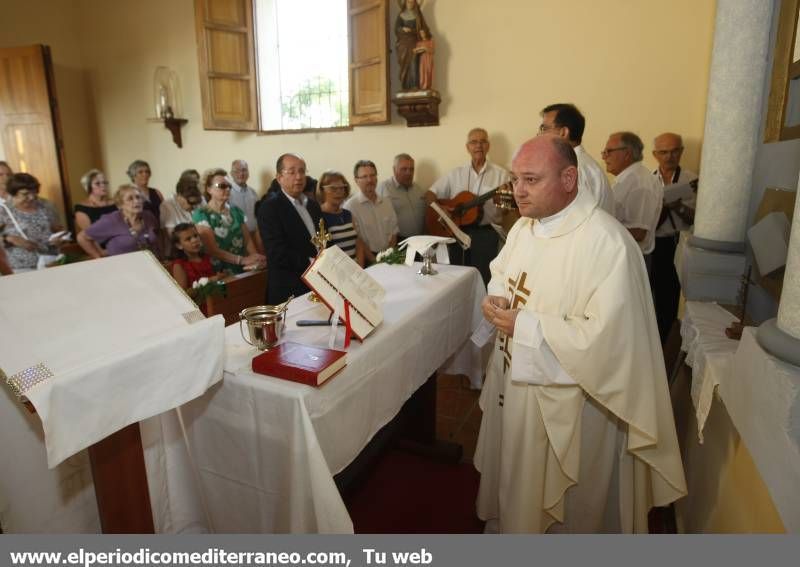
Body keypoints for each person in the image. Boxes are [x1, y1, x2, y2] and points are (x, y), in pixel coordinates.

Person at [474, 136, 686, 533]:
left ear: (569, 178)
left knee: (569, 506)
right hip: (517, 390)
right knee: (518, 486)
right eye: (516, 179)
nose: (518, 190)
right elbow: (502, 272)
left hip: (576, 407)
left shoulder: (607, 243)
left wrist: (526, 326)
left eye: (531, 180)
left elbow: (610, 343)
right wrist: (496, 297)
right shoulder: (524, 228)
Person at [430, 128, 510, 285]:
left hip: (486, 235)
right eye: (474, 142)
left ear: (488, 146)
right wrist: (441, 210)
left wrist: (501, 203)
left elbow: (506, 211)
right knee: (456, 279)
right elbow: (430, 193)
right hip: (457, 234)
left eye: (482, 141)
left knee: (483, 279)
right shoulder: (455, 173)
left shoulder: (503, 175)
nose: (478, 146)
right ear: (467, 147)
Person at [652, 132, 698, 342]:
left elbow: (699, 218)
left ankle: (665, 342)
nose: (669, 156)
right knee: (649, 294)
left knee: (670, 298)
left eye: (674, 151)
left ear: (681, 152)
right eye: (663, 152)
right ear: (655, 154)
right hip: (654, 243)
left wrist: (677, 205)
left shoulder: (692, 180)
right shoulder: (649, 181)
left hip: (679, 242)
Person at [257, 153, 322, 304]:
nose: (298, 177)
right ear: (279, 177)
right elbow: (276, 252)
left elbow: (323, 238)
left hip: (318, 283)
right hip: (289, 289)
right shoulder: (270, 208)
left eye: (302, 171)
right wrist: (311, 263)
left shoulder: (312, 205)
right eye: (292, 172)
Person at [538, 103, 615, 215]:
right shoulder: (576, 163)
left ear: (563, 132)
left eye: (544, 129)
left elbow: (570, 217)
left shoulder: (577, 168)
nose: (540, 135)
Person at [602, 131, 663, 272]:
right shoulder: (628, 179)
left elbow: (639, 232)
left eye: (609, 151)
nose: (604, 157)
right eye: (604, 152)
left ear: (627, 154)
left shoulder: (639, 182)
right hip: (621, 256)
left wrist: (598, 231)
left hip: (630, 260)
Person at [192, 168, 264, 274]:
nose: (228, 189)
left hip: (243, 266)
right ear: (208, 189)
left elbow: (247, 240)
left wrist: (255, 258)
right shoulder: (201, 214)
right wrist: (241, 260)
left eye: (229, 186)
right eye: (222, 186)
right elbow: (212, 249)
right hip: (220, 270)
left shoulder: (236, 211)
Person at [77, 184, 161, 259]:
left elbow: (157, 238)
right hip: (121, 268)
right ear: (120, 205)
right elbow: (82, 237)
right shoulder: (111, 220)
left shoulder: (148, 216)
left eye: (138, 197)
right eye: (130, 199)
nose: (136, 201)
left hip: (149, 265)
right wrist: (98, 258)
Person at [0, 173, 62, 273]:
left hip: (51, 263)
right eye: (25, 194)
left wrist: (60, 238)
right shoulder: (3, 211)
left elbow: (58, 229)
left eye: (34, 192)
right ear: (13, 193)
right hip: (22, 267)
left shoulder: (45, 206)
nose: (32, 197)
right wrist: (9, 239)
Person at [344, 160, 398, 264]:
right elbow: (357, 239)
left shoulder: (386, 202)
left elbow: (394, 231)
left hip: (389, 256)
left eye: (372, 175)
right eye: (364, 176)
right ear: (356, 180)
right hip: (368, 260)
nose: (369, 180)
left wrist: (389, 255)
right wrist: (374, 261)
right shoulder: (350, 207)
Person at [317, 170, 365, 267]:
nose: (338, 192)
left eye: (342, 188)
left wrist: (360, 268)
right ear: (322, 190)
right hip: (337, 274)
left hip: (356, 270)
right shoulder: (319, 216)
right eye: (333, 188)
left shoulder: (347, 214)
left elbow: (358, 243)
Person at [377, 153, 427, 239]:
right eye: (404, 169)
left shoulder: (418, 189)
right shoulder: (384, 188)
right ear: (394, 170)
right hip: (397, 241)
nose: (408, 173)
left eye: (411, 169)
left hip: (420, 239)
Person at [170, 222, 223, 297]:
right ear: (179, 245)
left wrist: (221, 275)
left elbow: (220, 275)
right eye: (188, 239)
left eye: (195, 236)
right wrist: (209, 281)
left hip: (217, 298)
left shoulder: (208, 257)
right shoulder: (179, 265)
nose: (194, 240)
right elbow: (183, 295)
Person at [395, 0, 430, 91]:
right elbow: (396, 29)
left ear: (414, 3)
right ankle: (405, 86)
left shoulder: (418, 15)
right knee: (404, 63)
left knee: (414, 62)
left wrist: (426, 38)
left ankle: (415, 85)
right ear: (405, 3)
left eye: (412, 2)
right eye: (408, 2)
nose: (410, 4)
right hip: (403, 44)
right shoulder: (401, 15)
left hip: (415, 42)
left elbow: (423, 28)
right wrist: (402, 28)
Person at [228, 159, 260, 242]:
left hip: (254, 236)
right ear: (231, 174)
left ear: (248, 173)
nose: (241, 174)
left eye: (244, 170)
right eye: (237, 171)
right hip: (236, 238)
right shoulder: (227, 193)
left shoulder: (253, 193)